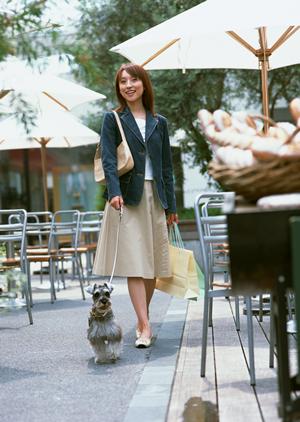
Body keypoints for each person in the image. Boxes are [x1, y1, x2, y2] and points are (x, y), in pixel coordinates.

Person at [93, 63, 178, 348]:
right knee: (135, 264)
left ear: (144, 84)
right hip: (126, 198)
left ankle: (144, 317)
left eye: (133, 80)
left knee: (152, 265)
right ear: (119, 89)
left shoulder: (159, 122)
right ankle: (144, 325)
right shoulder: (112, 119)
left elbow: (166, 166)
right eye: (122, 82)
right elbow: (108, 159)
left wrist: (172, 206)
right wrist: (113, 192)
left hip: (156, 197)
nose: (128, 85)